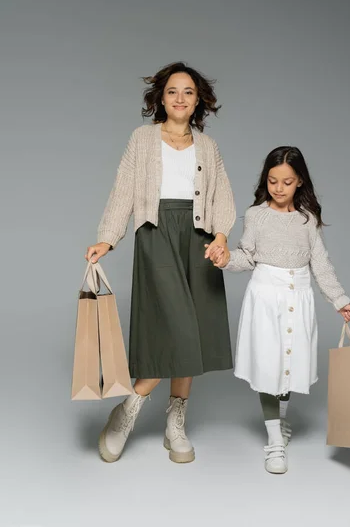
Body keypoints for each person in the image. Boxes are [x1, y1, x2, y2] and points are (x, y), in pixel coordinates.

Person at [85, 61, 235, 464]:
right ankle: (128, 411)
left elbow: (222, 195)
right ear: (161, 98)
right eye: (172, 91)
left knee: (194, 328)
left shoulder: (208, 147)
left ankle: (175, 422)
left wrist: (221, 236)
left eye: (188, 91)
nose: (180, 98)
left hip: (199, 238)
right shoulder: (142, 140)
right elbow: (124, 189)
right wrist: (108, 237)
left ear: (198, 99)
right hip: (156, 234)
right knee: (177, 324)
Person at [206, 146, 350, 474]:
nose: (278, 188)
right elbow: (247, 256)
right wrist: (225, 259)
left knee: (290, 364)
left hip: (299, 296)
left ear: (299, 181)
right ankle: (274, 440)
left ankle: (281, 422)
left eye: (286, 182)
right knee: (269, 367)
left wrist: (340, 299)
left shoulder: (308, 220)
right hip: (266, 297)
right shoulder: (257, 215)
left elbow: (321, 263)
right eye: (272, 181)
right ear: (266, 180)